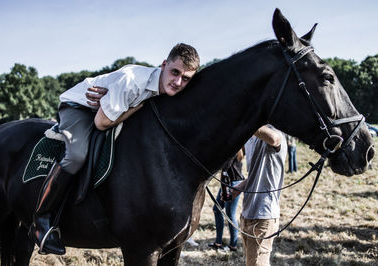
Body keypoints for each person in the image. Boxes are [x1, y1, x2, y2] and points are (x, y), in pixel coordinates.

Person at [30, 43, 200, 255]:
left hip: (108, 111)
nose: (178, 82)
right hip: (81, 108)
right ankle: (41, 219)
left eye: (186, 78)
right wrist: (135, 109)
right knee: (76, 154)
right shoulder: (133, 81)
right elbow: (102, 123)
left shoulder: (169, 88)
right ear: (164, 64)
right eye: (175, 72)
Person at [232, 125, 286, 266]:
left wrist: (248, 119)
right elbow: (255, 174)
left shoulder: (274, 132)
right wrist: (238, 187)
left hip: (264, 215)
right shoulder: (251, 140)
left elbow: (275, 139)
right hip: (247, 214)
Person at [208, 150, 244, 252]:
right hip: (227, 182)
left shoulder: (234, 149)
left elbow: (225, 165)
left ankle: (233, 245)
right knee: (217, 209)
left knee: (230, 214)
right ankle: (218, 242)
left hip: (234, 183)